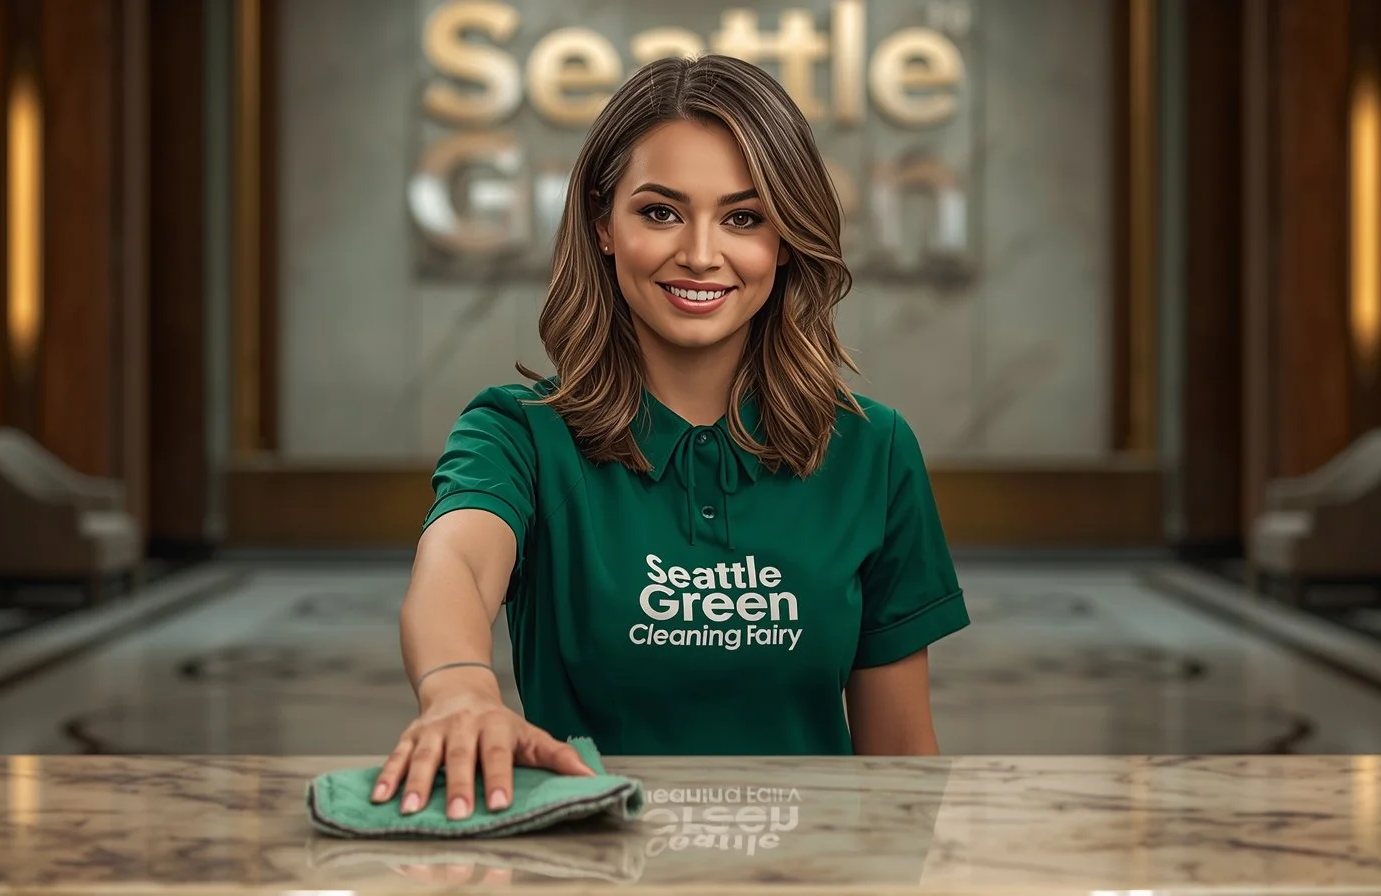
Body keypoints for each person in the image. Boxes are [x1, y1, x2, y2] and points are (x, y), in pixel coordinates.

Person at [372, 54, 969, 819]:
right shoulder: (518, 435)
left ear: (785, 240)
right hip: (586, 871)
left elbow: (901, 773)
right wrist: (458, 689)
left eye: (744, 218)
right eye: (660, 212)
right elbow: (456, 558)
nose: (699, 253)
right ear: (603, 224)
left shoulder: (873, 450)